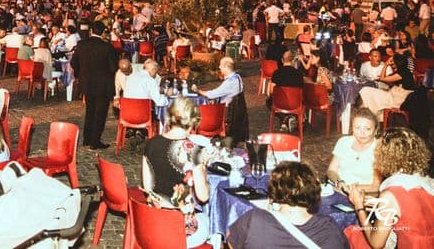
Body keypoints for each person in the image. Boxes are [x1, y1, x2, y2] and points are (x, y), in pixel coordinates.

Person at [346, 127, 434, 248]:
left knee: (351, 233)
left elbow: (376, 244)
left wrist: (359, 206)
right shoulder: (428, 182)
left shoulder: (391, 195)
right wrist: (380, 205)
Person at [228, 161, 348, 248]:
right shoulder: (329, 228)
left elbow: (231, 241)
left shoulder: (254, 220)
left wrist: (266, 215)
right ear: (315, 191)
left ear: (274, 192)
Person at [142, 96, 211, 248]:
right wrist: (203, 171)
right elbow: (203, 196)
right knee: (213, 224)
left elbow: (147, 188)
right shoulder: (193, 151)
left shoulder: (151, 143)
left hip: (153, 222)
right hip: (180, 229)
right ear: (193, 122)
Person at [70, 21, 118, 150]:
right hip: (103, 84)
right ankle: (95, 140)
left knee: (90, 111)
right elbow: (114, 67)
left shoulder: (81, 45)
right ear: (103, 32)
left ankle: (87, 138)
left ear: (91, 31)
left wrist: (81, 74)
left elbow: (74, 63)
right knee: (100, 113)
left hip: (87, 83)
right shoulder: (107, 47)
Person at [326, 107, 381, 194]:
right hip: (339, 189)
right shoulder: (344, 142)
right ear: (352, 128)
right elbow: (331, 170)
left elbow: (375, 187)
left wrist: (349, 189)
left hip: (364, 194)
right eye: (357, 128)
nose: (362, 133)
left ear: (376, 131)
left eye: (367, 129)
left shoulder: (379, 148)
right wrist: (339, 182)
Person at [358, 47, 414, 116]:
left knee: (365, 91)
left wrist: (386, 64)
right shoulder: (403, 71)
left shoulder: (402, 73)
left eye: (392, 61)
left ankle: (371, 115)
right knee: (367, 92)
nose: (391, 62)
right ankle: (371, 114)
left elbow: (382, 78)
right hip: (394, 94)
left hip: (397, 99)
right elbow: (388, 81)